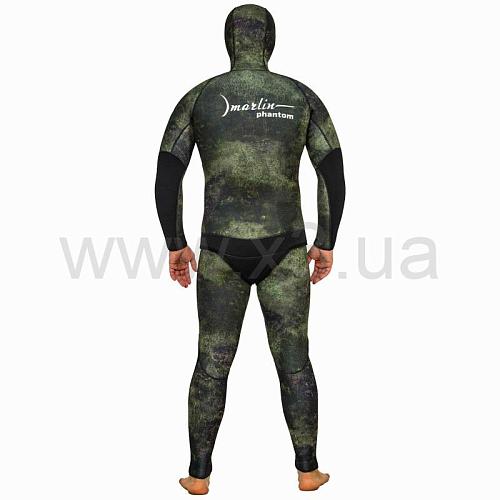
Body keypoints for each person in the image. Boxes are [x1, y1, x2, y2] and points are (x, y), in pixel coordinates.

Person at [155, 4, 345, 494]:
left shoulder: (200, 96)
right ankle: (308, 470)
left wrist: (176, 243)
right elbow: (332, 171)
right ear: (271, 42)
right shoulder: (300, 96)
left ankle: (199, 476)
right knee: (295, 362)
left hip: (220, 249)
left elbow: (167, 175)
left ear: (228, 41)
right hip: (285, 248)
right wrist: (326, 240)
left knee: (211, 363)